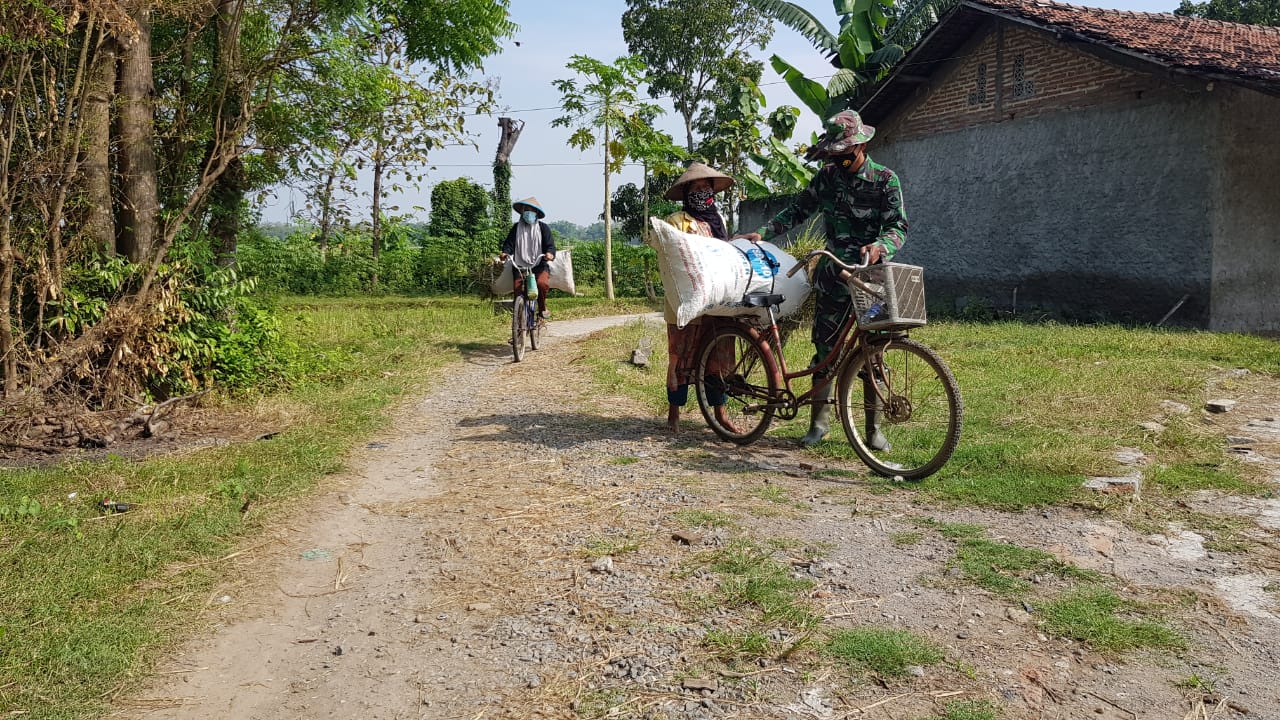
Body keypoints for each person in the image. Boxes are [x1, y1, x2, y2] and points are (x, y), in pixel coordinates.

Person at [734, 110, 907, 448]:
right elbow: (798, 209)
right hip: (832, 275)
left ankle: (873, 430)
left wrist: (880, 246)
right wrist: (766, 232)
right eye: (835, 152)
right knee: (825, 350)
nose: (839, 158)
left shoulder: (886, 180)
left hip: (870, 279)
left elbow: (898, 227)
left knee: (873, 353)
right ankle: (818, 424)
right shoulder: (826, 178)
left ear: (862, 144)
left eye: (846, 152)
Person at [656, 162, 740, 434]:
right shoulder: (677, 221)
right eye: (697, 188)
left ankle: (720, 413)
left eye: (707, 188)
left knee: (718, 356)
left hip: (717, 302)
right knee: (681, 357)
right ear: (686, 193)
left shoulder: (719, 221)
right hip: (687, 303)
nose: (702, 192)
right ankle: (674, 414)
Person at [500, 197, 557, 318]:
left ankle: (542, 308)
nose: (528, 212)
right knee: (518, 291)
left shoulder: (543, 228)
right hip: (519, 266)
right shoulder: (516, 228)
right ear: (522, 212)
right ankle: (519, 325)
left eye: (531, 210)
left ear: (536, 213)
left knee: (541, 284)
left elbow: (550, 246)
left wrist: (550, 254)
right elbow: (509, 244)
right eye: (526, 210)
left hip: (539, 265)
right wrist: (505, 253)